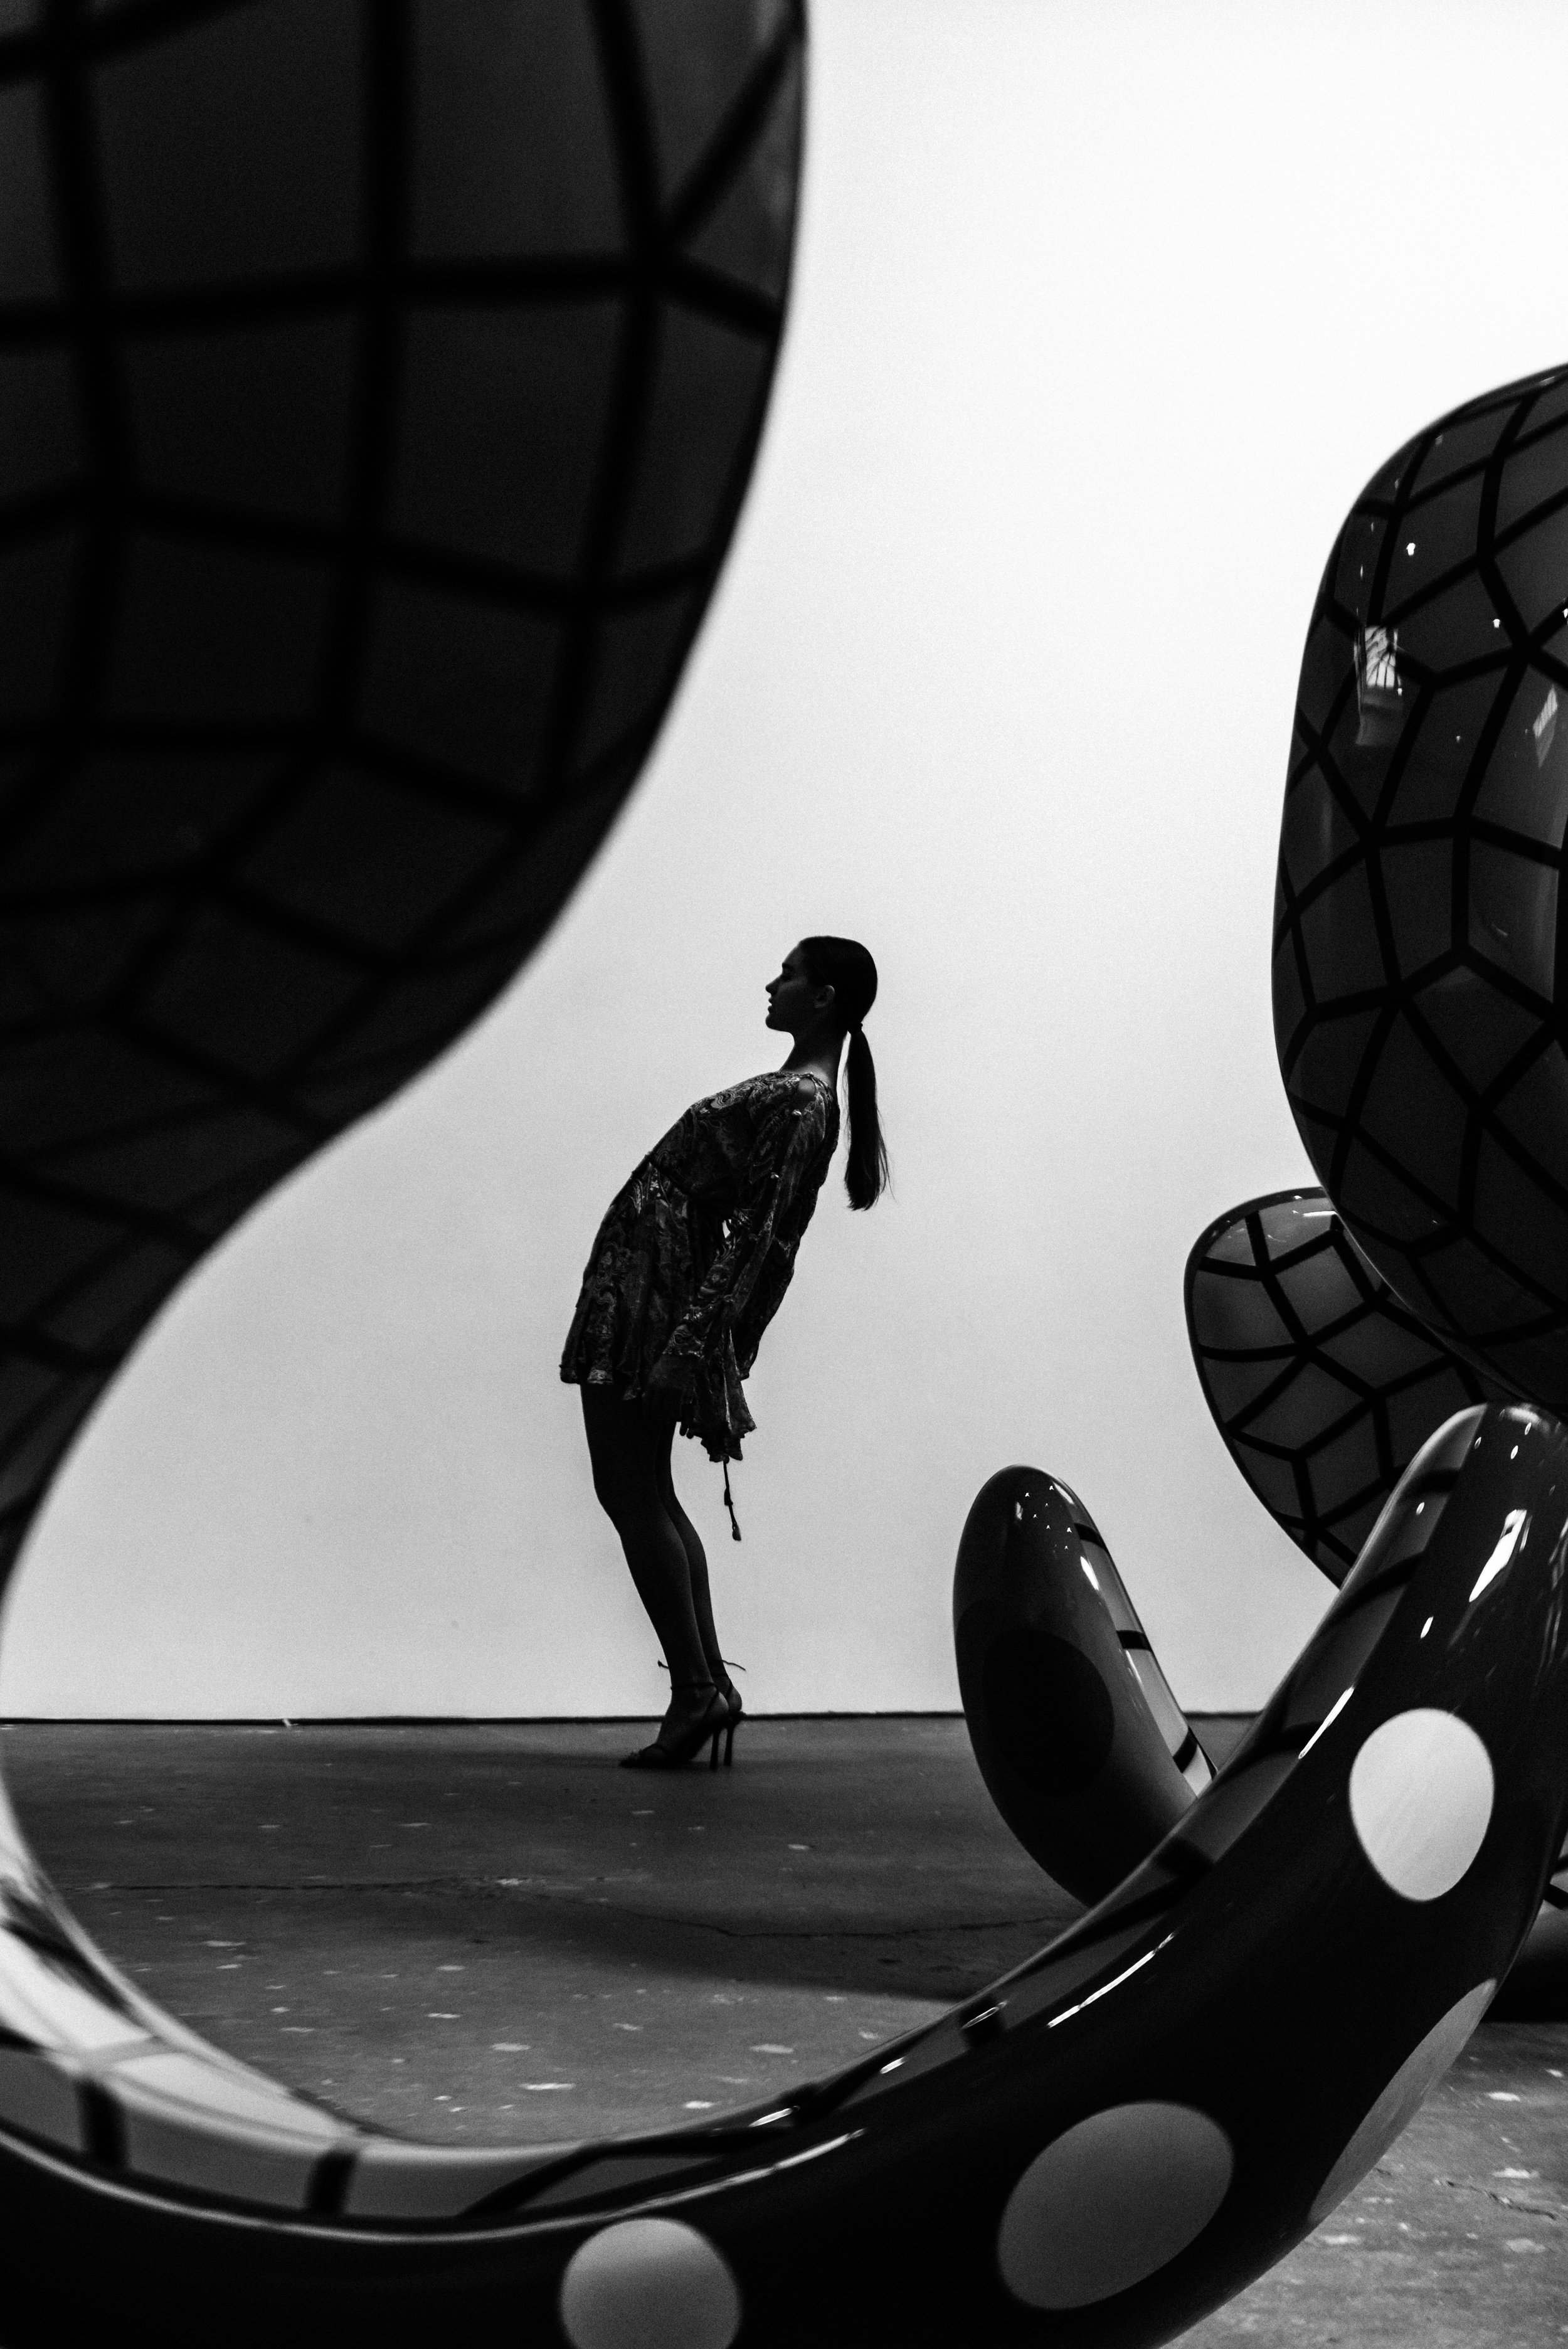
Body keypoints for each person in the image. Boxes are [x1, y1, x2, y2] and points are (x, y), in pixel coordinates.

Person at [560, 936, 890, 1769]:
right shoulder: (804, 1096)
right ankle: (705, 1687)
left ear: (824, 996)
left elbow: (767, 1238)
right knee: (643, 1490)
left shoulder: (804, 1102)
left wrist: (704, 1343)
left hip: (657, 1290)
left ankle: (697, 1691)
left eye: (790, 972)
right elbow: (767, 1238)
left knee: (630, 1491)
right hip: (649, 1279)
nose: (773, 983)